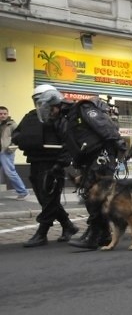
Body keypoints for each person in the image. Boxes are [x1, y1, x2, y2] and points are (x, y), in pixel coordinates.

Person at [37, 89, 126, 249]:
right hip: (89, 160)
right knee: (92, 197)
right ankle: (103, 234)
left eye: (51, 109)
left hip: (101, 157)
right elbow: (69, 145)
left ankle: (94, 235)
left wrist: (117, 146)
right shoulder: (67, 119)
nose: (50, 113)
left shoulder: (82, 109)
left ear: (58, 105)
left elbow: (105, 127)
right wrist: (59, 165)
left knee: (94, 197)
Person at [11, 86, 78, 246]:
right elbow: (18, 133)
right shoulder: (31, 116)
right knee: (45, 199)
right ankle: (68, 226)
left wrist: (60, 164)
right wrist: (24, 140)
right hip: (35, 162)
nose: (39, 103)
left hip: (53, 163)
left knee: (49, 199)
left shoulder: (60, 118)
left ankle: (42, 233)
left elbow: (68, 143)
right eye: (36, 100)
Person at [0, 106, 30, 200]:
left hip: (6, 152)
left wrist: (11, 148)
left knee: (10, 172)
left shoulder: (12, 124)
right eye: (0, 114)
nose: (3, 115)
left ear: (7, 114)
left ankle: (23, 192)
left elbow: (18, 137)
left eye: (5, 113)